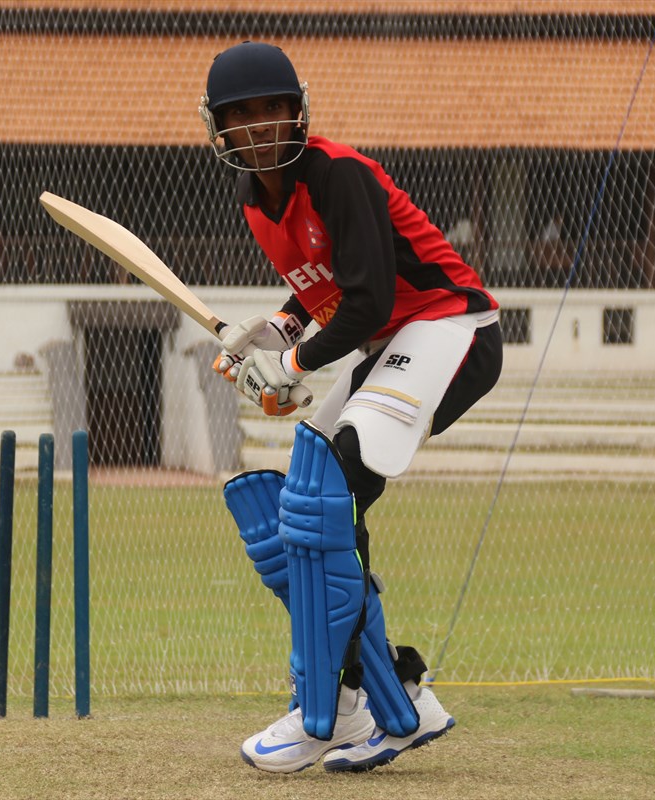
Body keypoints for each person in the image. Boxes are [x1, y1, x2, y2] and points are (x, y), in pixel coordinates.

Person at [199, 42, 503, 773]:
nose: (263, 125)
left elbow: (366, 301)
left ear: (298, 110)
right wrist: (264, 340)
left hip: (451, 327)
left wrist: (294, 365)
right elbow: (320, 295)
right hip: (392, 341)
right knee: (303, 505)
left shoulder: (336, 174)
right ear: (222, 130)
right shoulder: (254, 203)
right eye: (245, 115)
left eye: (274, 109)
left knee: (326, 494)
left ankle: (333, 710)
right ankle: (391, 695)